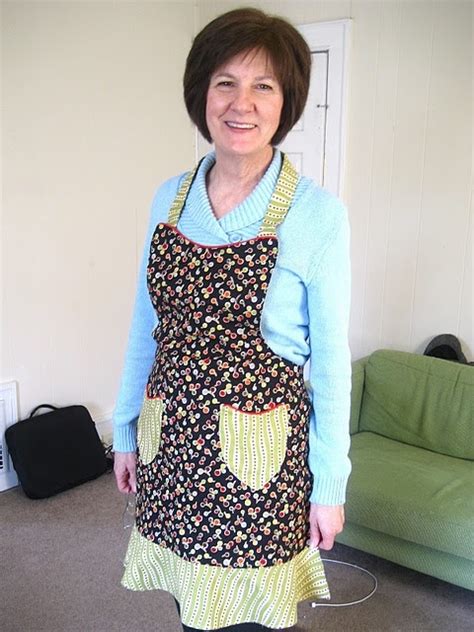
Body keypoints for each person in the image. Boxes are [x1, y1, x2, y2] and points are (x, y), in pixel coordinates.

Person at [113, 7, 352, 632]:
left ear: (287, 102)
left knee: (251, 618)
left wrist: (329, 485)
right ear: (202, 94)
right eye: (225, 82)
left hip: (259, 457)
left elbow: (329, 365)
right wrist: (125, 428)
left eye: (263, 85)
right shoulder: (169, 197)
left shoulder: (317, 216)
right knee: (188, 605)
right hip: (173, 444)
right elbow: (146, 324)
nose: (241, 103)